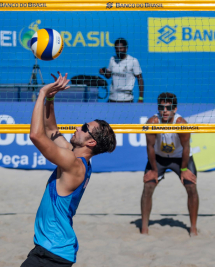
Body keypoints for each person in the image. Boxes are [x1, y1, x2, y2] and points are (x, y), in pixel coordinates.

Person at [21, 72, 117, 267]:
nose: (77, 128)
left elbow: (36, 136)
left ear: (91, 141)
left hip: (51, 254)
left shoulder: (73, 165)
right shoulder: (74, 158)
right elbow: (51, 130)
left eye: (84, 128)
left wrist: (41, 93)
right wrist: (50, 98)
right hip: (53, 249)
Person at [140, 92, 199, 236]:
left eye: (168, 107)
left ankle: (193, 227)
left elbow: (186, 148)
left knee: (191, 187)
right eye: (161, 107)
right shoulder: (153, 122)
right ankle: (144, 228)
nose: (164, 111)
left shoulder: (181, 123)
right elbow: (150, 147)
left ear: (175, 109)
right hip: (159, 158)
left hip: (180, 158)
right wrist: (154, 170)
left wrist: (184, 169)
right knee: (148, 186)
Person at [99, 38, 144, 103]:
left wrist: (140, 97)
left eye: (121, 48)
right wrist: (104, 72)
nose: (118, 50)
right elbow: (109, 76)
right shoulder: (113, 59)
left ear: (126, 48)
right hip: (112, 98)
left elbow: (140, 79)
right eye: (116, 48)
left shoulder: (133, 61)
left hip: (126, 99)